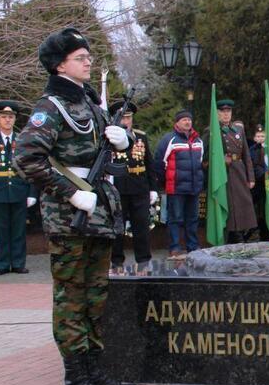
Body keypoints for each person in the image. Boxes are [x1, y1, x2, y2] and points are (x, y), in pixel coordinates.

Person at [13, 27, 138, 385]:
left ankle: (94, 369)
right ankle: (75, 380)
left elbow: (99, 148)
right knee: (72, 296)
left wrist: (124, 140)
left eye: (87, 56)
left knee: (96, 295)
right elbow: (26, 159)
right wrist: (71, 192)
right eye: (80, 57)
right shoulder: (50, 107)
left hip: (98, 212)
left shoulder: (89, 103)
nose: (88, 61)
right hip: (70, 217)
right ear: (59, 64)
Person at [0, 101, 35, 275]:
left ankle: (18, 263)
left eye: (11, 117)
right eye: (4, 117)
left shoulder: (23, 140)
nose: (8, 120)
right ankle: (2, 264)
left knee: (18, 230)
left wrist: (32, 192)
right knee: (1, 230)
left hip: (19, 189)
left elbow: (32, 167)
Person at [108, 101, 157, 274]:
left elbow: (149, 163)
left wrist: (153, 188)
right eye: (122, 117)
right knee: (117, 227)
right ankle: (116, 261)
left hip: (139, 187)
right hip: (118, 188)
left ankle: (144, 260)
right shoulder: (110, 138)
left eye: (128, 117)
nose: (125, 121)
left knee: (141, 227)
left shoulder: (140, 137)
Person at [154, 110, 204, 258]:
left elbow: (200, 163)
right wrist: (165, 183)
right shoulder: (169, 140)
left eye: (189, 120)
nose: (187, 122)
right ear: (177, 123)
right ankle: (174, 247)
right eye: (184, 120)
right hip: (175, 188)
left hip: (193, 188)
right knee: (175, 218)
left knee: (193, 219)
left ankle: (193, 246)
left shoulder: (198, 141)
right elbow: (159, 163)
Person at [207, 99, 256, 243]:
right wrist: (220, 160)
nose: (226, 114)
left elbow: (246, 154)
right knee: (229, 205)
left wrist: (251, 177)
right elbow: (206, 156)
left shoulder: (238, 129)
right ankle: (232, 236)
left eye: (228, 111)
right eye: (222, 111)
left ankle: (242, 233)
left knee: (243, 205)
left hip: (239, 170)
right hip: (224, 174)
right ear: (217, 113)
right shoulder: (212, 131)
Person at [248, 125, 269, 240]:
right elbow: (253, 165)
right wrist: (263, 175)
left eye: (263, 136)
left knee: (267, 210)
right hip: (258, 184)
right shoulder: (252, 150)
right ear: (254, 138)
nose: (260, 138)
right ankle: (255, 231)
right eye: (258, 136)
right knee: (258, 210)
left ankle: (267, 233)